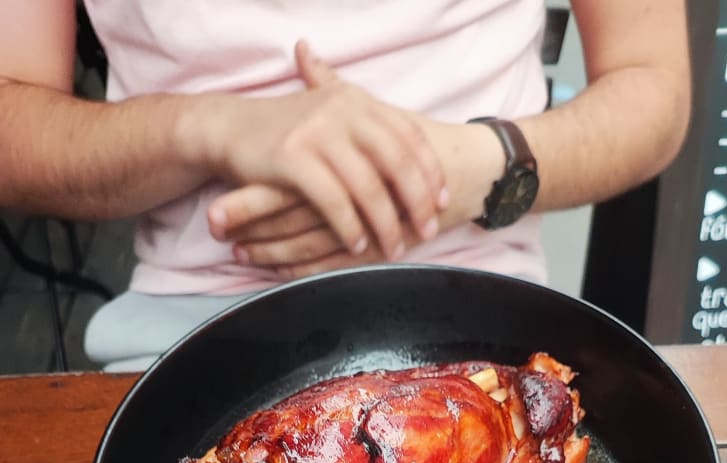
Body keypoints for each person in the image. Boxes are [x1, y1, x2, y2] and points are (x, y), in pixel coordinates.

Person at [0, 1, 690, 371]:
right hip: (184, 342)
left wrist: (456, 171)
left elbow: (651, 85)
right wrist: (204, 129)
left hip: (489, 314)